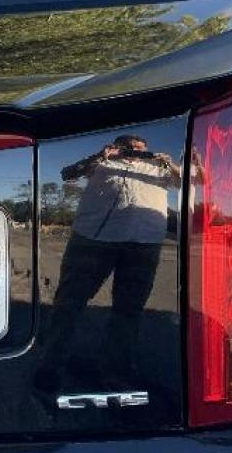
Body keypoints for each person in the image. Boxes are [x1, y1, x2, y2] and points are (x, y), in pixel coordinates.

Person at [35, 135, 182, 392]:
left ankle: (115, 372)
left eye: (142, 149)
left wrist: (172, 164)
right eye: (131, 148)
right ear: (118, 146)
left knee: (128, 312)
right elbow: (67, 174)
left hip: (144, 245)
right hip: (93, 239)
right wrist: (101, 155)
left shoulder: (160, 169)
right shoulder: (102, 163)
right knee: (68, 303)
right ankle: (50, 364)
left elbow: (196, 180)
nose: (137, 153)